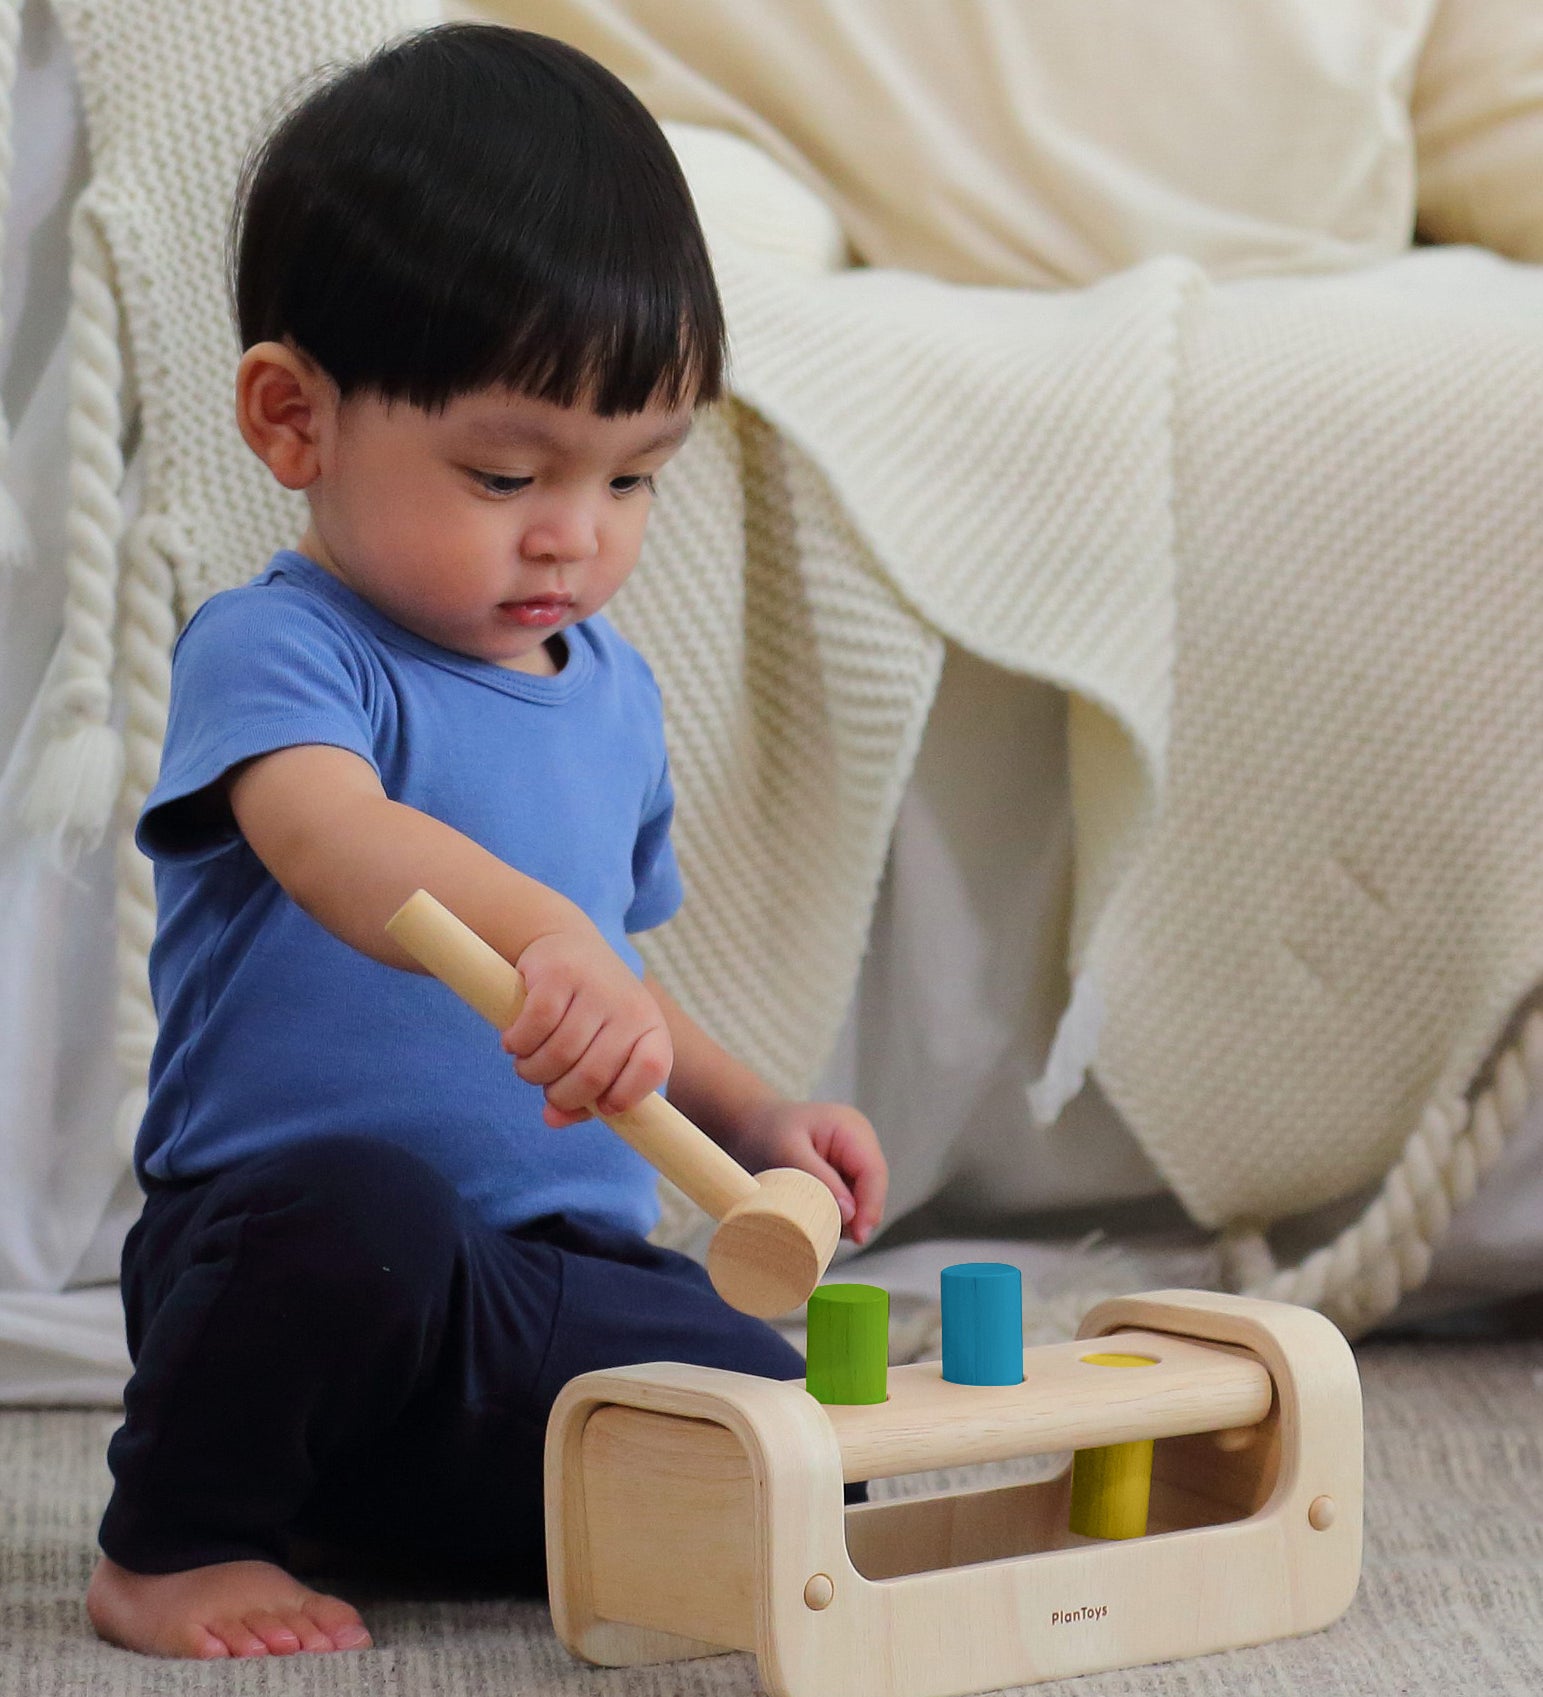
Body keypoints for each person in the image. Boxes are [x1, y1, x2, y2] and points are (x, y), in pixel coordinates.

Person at [85, 22, 887, 1662]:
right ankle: (182, 1538)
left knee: (786, 1410)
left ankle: (457, 1505)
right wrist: (543, 932)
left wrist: (758, 1118)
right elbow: (334, 838)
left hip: (540, 1279)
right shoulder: (286, 649)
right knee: (348, 1221)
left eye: (635, 477)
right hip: (306, 1267)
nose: (576, 536)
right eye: (510, 468)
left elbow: (624, 982)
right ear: (294, 418)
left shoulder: (609, 690)